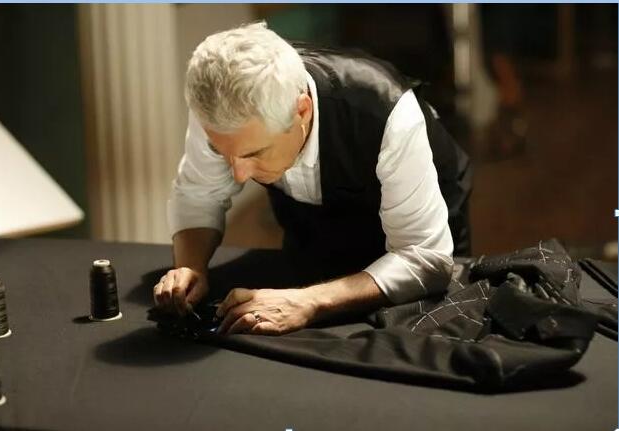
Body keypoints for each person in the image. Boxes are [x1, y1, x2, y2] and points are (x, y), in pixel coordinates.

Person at [153, 22, 472, 336]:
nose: (238, 174)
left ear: (302, 111)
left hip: (420, 226)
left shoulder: (388, 113)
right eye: (222, 153)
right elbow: (199, 193)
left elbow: (423, 259)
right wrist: (191, 267)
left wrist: (307, 301)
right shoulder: (219, 108)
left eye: (255, 153)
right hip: (314, 230)